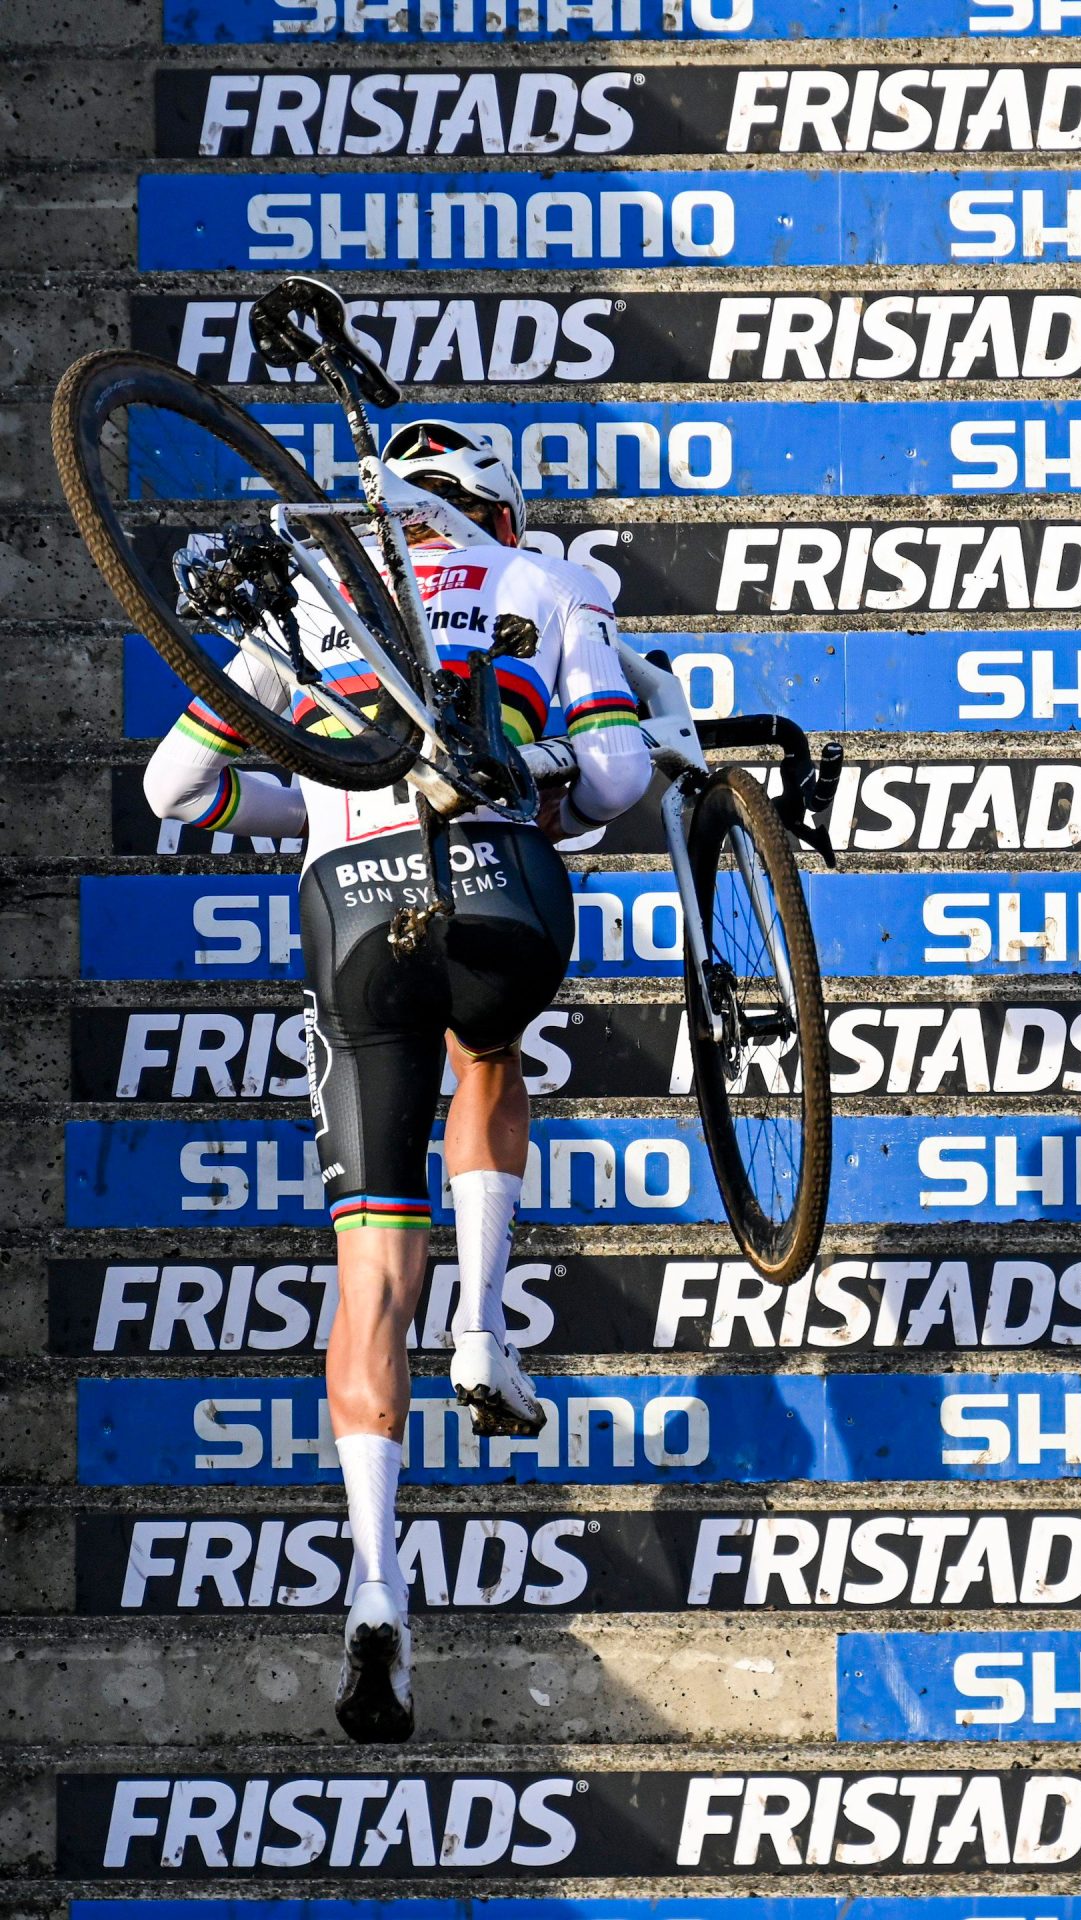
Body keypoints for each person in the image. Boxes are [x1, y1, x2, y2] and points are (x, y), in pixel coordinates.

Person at [144, 421, 652, 1742]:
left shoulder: (313, 589)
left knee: (367, 1270)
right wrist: (536, 792)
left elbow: (177, 787)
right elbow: (614, 776)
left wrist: (308, 812)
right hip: (491, 879)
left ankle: (376, 1593)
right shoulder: (542, 581)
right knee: (492, 1043)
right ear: (494, 506)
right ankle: (484, 1324)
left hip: (346, 912)